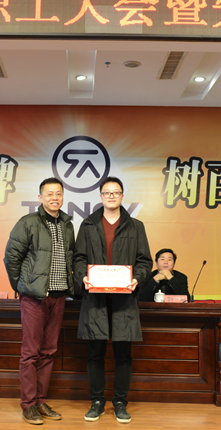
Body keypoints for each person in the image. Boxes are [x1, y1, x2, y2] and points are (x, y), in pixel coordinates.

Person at [74, 177, 152, 424]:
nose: (111, 196)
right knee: (95, 353)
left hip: (124, 298)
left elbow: (144, 261)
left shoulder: (135, 226)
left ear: (122, 196)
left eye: (115, 192)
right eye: (107, 192)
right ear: (100, 196)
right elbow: (78, 258)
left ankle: (120, 402)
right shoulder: (88, 225)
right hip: (95, 297)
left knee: (123, 354)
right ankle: (97, 401)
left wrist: (137, 278)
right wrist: (83, 276)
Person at [4, 177, 75, 425]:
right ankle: (28, 404)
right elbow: (11, 258)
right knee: (31, 353)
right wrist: (22, 287)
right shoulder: (28, 222)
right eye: (49, 193)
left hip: (59, 295)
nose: (55, 197)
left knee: (48, 352)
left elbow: (70, 258)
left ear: (63, 196)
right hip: (34, 298)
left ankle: (40, 401)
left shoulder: (67, 224)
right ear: (40, 197)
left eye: (58, 193)